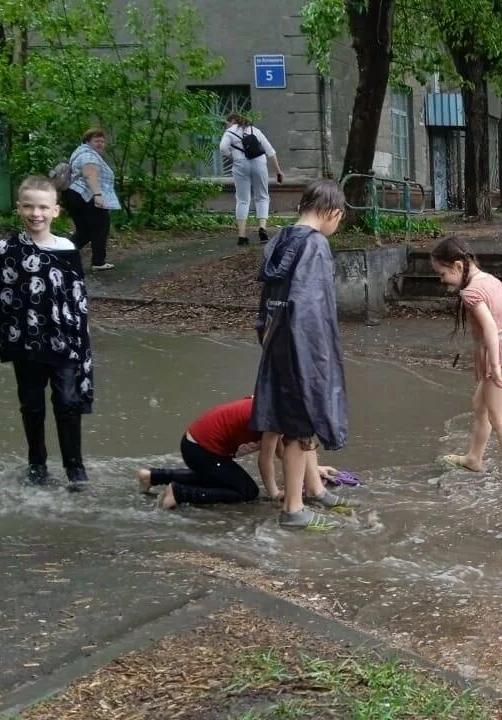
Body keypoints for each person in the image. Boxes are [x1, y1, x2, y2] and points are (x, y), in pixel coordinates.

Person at [0, 176, 93, 491]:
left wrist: (82, 347)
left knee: (67, 402)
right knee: (32, 404)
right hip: (24, 340)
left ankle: (74, 468)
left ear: (55, 211)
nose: (35, 213)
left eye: (42, 207)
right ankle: (37, 464)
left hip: (63, 341)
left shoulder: (67, 249)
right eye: (29, 206)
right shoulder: (6, 248)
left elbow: (78, 301)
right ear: (19, 208)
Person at [252, 179, 349, 531]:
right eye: (338, 221)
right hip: (303, 345)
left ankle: (314, 487)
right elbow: (311, 306)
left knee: (296, 418)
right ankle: (294, 509)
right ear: (332, 212)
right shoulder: (316, 245)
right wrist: (319, 359)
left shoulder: (279, 240)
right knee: (302, 423)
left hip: (277, 340)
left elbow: (266, 303)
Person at [136, 397, 353, 513]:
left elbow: (284, 452)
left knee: (220, 476)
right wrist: (275, 492)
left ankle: (152, 476)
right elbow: (265, 460)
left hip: (196, 444)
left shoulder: (278, 406)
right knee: (247, 491)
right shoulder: (275, 418)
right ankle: (180, 493)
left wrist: (314, 470)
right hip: (201, 449)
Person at [431, 237, 502, 488]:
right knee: (480, 405)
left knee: (499, 419)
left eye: (442, 274)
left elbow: (490, 327)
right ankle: (474, 458)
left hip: (498, 357)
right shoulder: (492, 281)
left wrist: (495, 362)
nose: (442, 281)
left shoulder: (471, 292)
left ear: (458, 266)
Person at [219, 113, 284, 246]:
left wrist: (232, 158)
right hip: (259, 163)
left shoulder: (229, 132)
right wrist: (278, 170)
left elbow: (223, 148)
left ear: (232, 121)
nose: (227, 125)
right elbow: (270, 151)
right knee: (262, 196)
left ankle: (242, 236)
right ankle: (262, 229)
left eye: (227, 122)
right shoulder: (255, 130)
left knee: (242, 199)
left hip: (240, 165)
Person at [63, 128, 121, 271]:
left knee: (85, 231)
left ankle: (60, 255)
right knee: (101, 226)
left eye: (102, 141)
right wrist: (98, 195)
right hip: (86, 196)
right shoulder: (89, 155)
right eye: (97, 141)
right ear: (88, 141)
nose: (101, 144)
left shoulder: (79, 153)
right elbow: (89, 174)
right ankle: (98, 261)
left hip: (73, 195)